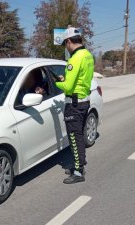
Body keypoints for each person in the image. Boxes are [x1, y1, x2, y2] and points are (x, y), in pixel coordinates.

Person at [55, 27, 94, 184]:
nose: (66, 47)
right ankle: (78, 165)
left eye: (65, 44)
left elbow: (69, 87)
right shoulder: (88, 55)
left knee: (74, 137)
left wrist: (57, 82)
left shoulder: (75, 58)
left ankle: (78, 172)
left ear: (69, 41)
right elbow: (81, 78)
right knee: (79, 136)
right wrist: (65, 80)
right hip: (84, 100)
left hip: (74, 104)